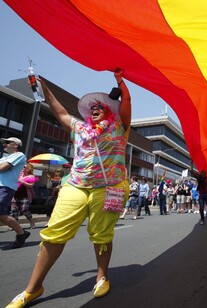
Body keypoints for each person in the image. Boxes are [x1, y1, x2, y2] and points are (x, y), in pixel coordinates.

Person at [6, 69, 131, 307]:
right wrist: (46, 90)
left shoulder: (120, 128)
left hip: (108, 188)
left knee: (101, 235)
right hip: (76, 186)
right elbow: (59, 111)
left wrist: (120, 81)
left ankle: (101, 276)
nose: (94, 109)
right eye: (91, 108)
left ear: (109, 111)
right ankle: (33, 289)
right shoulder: (79, 128)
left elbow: (127, 101)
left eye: (100, 107)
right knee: (54, 233)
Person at [0, 137, 31, 249]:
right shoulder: (5, 157)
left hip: (5, 187)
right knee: (2, 215)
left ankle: (21, 233)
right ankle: (22, 233)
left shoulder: (20, 155)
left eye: (7, 142)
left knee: (1, 214)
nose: (4, 145)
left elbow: (3, 168)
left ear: (15, 145)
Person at [11, 163, 39, 229]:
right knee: (14, 211)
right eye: (23, 167)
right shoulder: (18, 175)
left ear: (28, 169)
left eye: (25, 167)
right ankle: (15, 225)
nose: (23, 168)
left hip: (25, 195)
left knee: (24, 209)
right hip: (15, 195)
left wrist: (22, 181)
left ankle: (31, 221)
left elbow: (31, 186)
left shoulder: (31, 177)